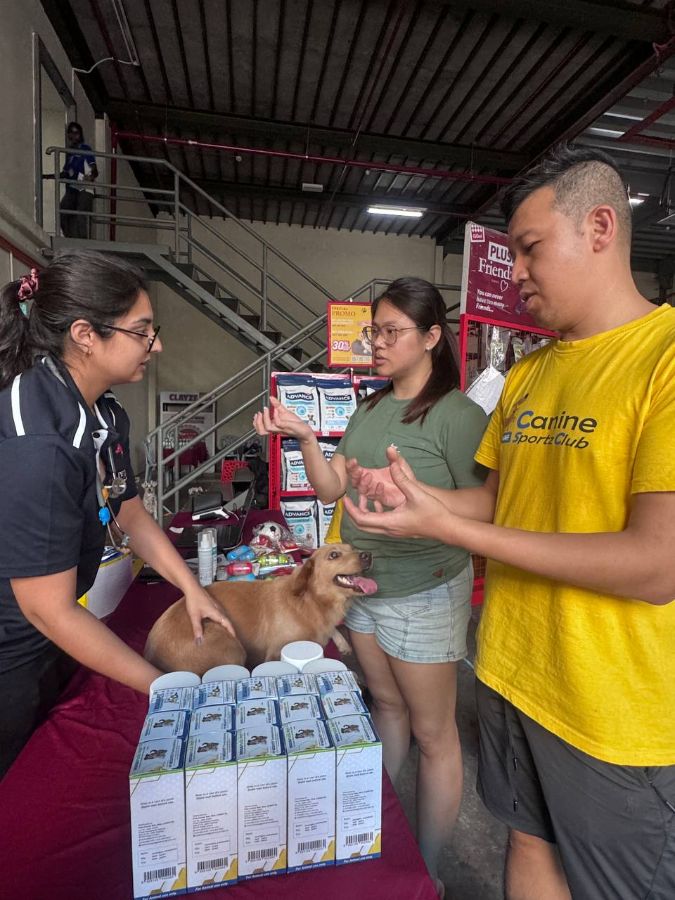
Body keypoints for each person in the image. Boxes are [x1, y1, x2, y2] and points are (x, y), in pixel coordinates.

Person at [343, 145, 675, 900]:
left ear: (598, 228)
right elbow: (499, 505)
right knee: (525, 844)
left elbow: (657, 564)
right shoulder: (528, 374)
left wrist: (454, 533)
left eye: (529, 250)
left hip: (610, 708)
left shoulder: (663, 359)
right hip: (511, 671)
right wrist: (420, 508)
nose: (515, 273)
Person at [254, 277, 488, 896]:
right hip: (364, 590)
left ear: (433, 338)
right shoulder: (368, 405)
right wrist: (305, 437)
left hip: (424, 590)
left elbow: (488, 507)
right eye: (373, 331)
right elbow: (333, 489)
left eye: (391, 332)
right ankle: (377, 845)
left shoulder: (458, 416)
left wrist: (415, 494)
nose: (376, 343)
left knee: (436, 736)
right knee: (385, 707)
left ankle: (428, 873)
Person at [0, 250, 234, 779]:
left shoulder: (103, 410)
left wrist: (191, 587)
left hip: (47, 631)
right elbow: (47, 610)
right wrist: (163, 687)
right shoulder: (40, 441)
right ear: (86, 334)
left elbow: (128, 507)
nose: (158, 345)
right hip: (12, 651)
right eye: (142, 330)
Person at [60, 122, 98, 239]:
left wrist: (90, 177)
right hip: (72, 189)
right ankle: (70, 237)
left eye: (76, 133)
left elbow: (94, 169)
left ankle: (82, 240)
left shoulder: (85, 149)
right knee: (63, 211)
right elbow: (65, 172)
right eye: (71, 133)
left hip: (85, 187)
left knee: (81, 213)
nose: (73, 136)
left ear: (80, 135)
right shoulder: (70, 153)